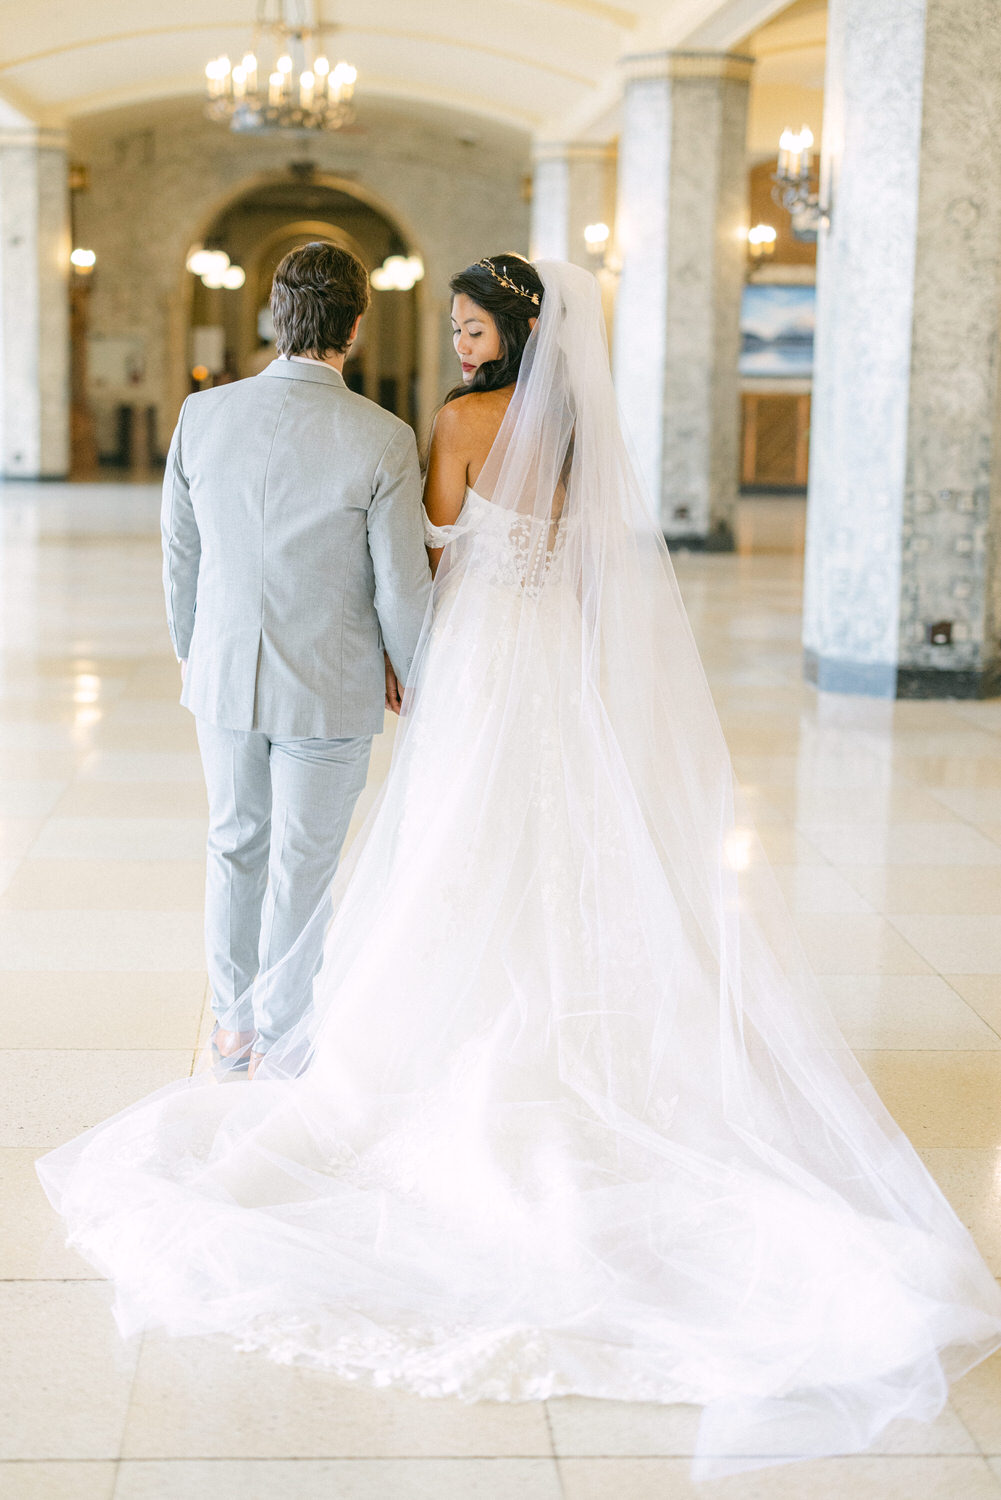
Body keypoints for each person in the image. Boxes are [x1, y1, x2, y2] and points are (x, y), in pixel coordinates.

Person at [38, 256, 1001, 1483]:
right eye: (446, 323)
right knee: (509, 847)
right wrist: (434, 662)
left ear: (509, 333)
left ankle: (250, 1024)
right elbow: (540, 576)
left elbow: (397, 559)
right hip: (538, 667)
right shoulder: (566, 442)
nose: (457, 339)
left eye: (469, 323)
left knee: (338, 845)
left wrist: (258, 655)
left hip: (416, 658)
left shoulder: (404, 423)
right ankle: (326, 1022)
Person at [160, 241, 431, 1073]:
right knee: (302, 866)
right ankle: (282, 1035)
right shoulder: (382, 437)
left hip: (223, 677)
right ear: (355, 324)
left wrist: (197, 658)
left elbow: (180, 559)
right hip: (330, 686)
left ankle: (232, 1029)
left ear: (278, 316)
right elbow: (399, 586)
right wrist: (420, 679)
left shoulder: (201, 418)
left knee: (234, 845)